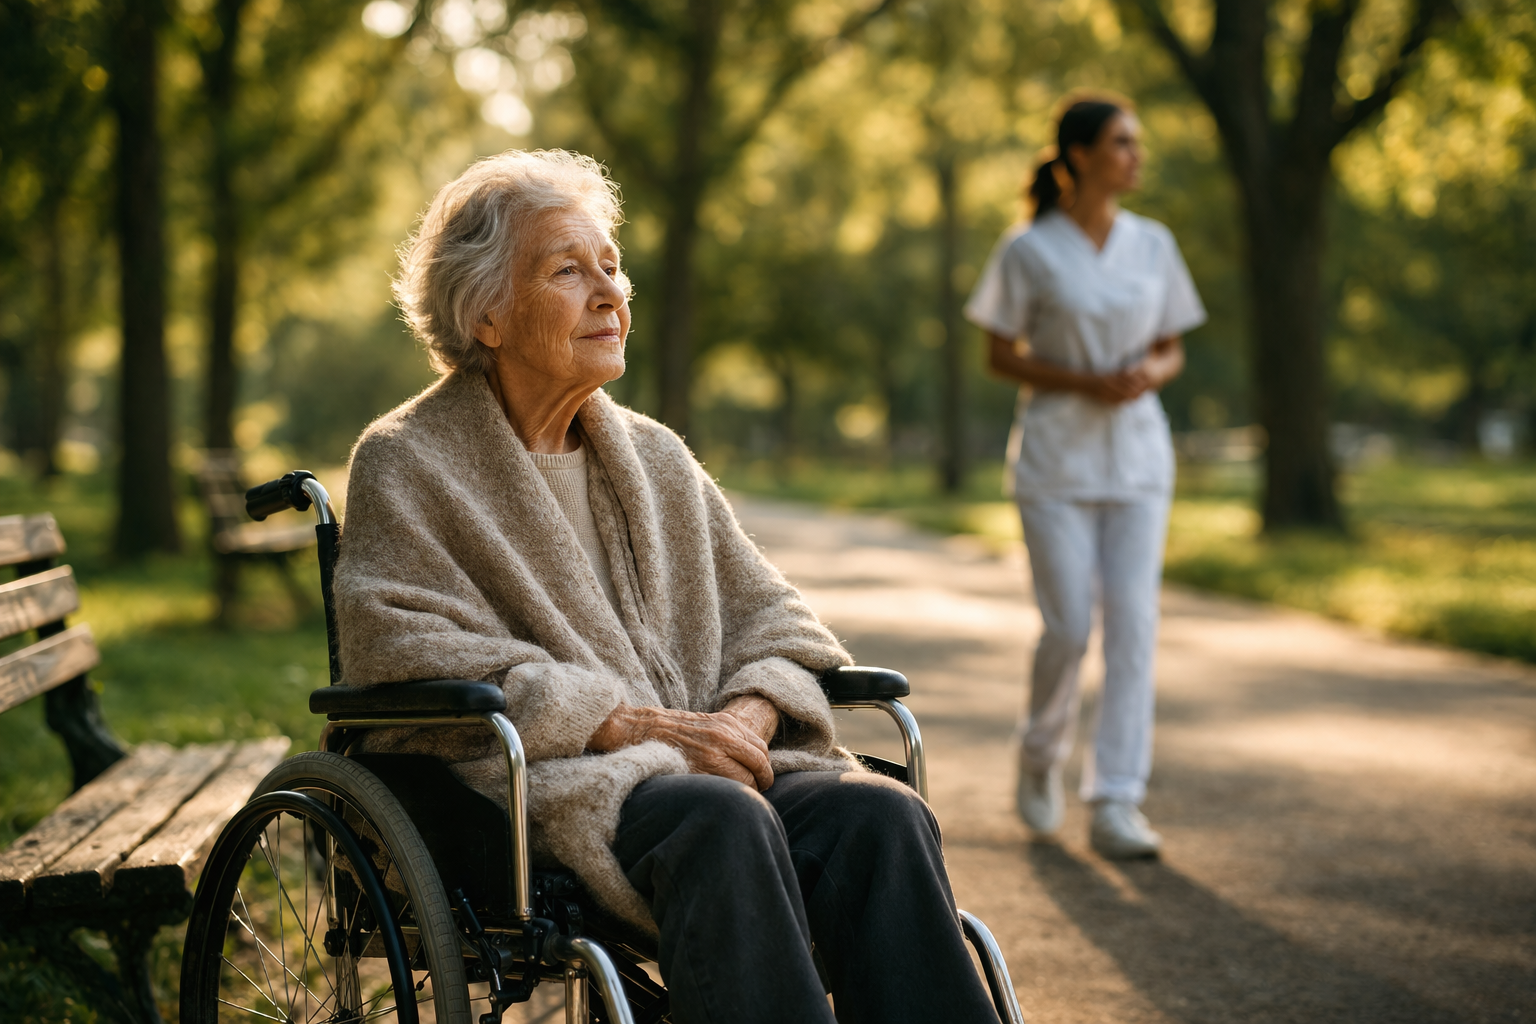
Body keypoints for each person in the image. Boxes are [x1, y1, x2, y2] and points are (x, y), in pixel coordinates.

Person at [333, 149, 1000, 1024]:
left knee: (879, 816)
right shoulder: (408, 460)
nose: (610, 293)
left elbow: (777, 619)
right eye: (569, 271)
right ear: (487, 314)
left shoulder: (653, 455)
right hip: (539, 790)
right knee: (720, 820)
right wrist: (621, 723)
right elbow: (398, 647)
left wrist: (746, 716)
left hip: (709, 771)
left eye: (613, 267)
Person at [964, 97, 1206, 859]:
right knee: (1070, 627)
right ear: (1078, 155)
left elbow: (1172, 346)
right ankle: (1040, 757)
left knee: (1133, 627)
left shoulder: (1153, 243)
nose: (1136, 154)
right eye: (1120, 142)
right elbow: (999, 354)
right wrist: (1078, 380)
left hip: (1138, 461)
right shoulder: (1030, 248)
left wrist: (1148, 372)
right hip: (1056, 463)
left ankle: (1115, 801)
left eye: (1137, 141)